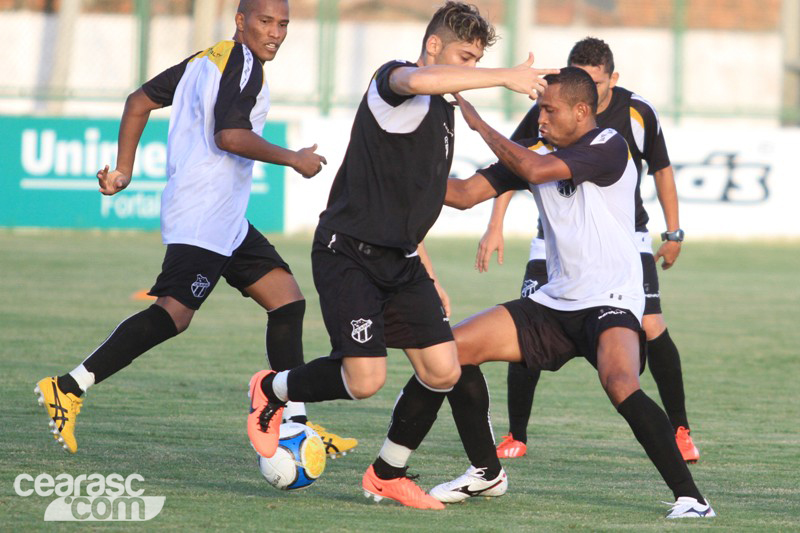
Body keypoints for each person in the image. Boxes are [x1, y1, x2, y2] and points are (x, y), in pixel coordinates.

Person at [248, 1, 556, 510]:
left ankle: (386, 473)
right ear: (433, 46)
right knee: (364, 380)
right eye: (464, 57)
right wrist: (505, 77)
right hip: (348, 252)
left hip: (402, 262)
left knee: (443, 369)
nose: (470, 69)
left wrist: (534, 164)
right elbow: (418, 80)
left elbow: (458, 194)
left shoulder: (442, 112)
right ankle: (272, 389)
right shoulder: (393, 83)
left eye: (477, 61)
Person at [35, 0, 356, 458]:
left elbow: (138, 101)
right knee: (173, 314)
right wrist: (293, 158)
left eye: (283, 24)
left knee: (287, 301)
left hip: (224, 217)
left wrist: (124, 171)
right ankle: (68, 387)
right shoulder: (243, 63)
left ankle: (295, 424)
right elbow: (230, 135)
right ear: (241, 21)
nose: (275, 32)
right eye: (265, 21)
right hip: (204, 213)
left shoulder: (206, 59)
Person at [423, 67, 714, 518]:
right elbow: (462, 194)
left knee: (621, 383)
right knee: (451, 351)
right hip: (554, 301)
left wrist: (479, 124)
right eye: (539, 109)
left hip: (611, 298)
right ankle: (485, 471)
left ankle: (692, 499)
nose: (540, 118)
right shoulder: (536, 151)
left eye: (549, 110)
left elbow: (534, 168)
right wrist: (399, 173)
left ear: (581, 111)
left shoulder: (608, 144)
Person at [477, 37, 698, 463]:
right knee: (525, 324)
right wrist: (495, 224)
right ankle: (516, 434)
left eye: (596, 82)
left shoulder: (636, 113)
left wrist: (673, 233)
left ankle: (680, 430)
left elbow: (662, 170)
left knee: (651, 325)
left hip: (623, 240)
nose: (588, 90)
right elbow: (516, 162)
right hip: (553, 241)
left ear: (612, 79)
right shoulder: (550, 109)